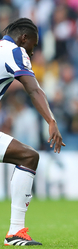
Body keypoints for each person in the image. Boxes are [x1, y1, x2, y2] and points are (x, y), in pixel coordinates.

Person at [1, 18, 65, 246]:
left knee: (28, 155)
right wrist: (51, 120)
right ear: (23, 38)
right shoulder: (16, 52)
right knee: (28, 156)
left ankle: (16, 232)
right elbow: (33, 89)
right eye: (34, 46)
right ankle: (15, 232)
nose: (33, 52)